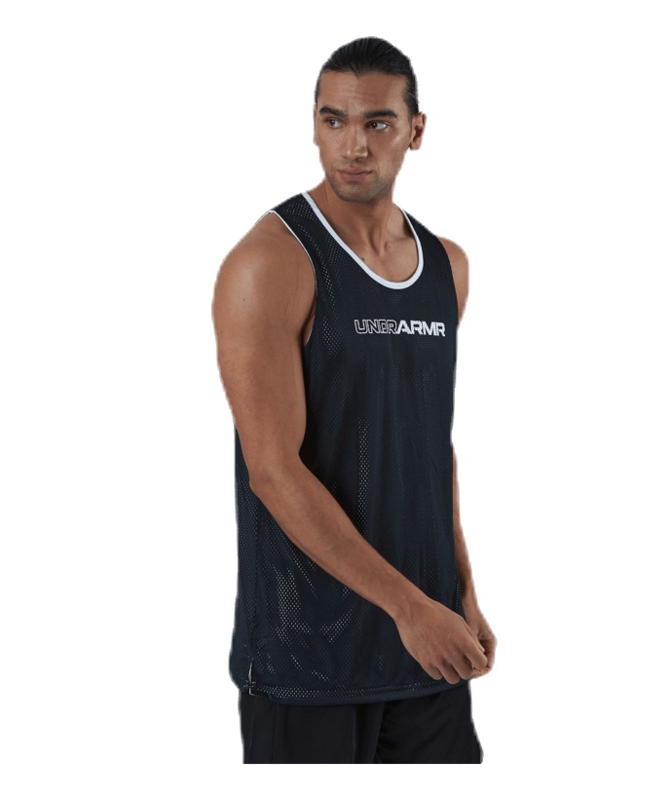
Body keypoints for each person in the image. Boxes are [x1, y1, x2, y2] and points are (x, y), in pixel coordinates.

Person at [211, 36, 497, 764]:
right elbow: (272, 470)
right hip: (309, 658)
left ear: (415, 130)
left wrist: (460, 590)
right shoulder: (270, 261)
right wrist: (409, 607)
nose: (353, 145)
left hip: (427, 646)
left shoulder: (447, 267)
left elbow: (428, 444)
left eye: (377, 123)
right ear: (313, 124)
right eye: (333, 120)